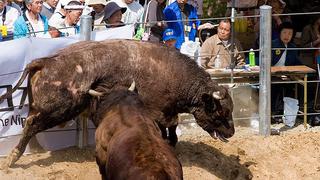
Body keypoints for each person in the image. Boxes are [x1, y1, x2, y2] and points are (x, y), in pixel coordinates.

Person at [271, 22, 301, 120]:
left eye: (289, 34)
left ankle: (288, 114)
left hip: (287, 75)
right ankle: (273, 113)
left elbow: (296, 62)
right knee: (276, 87)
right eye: (284, 33)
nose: (286, 36)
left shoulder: (293, 47)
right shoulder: (273, 44)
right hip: (272, 75)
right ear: (279, 33)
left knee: (296, 87)